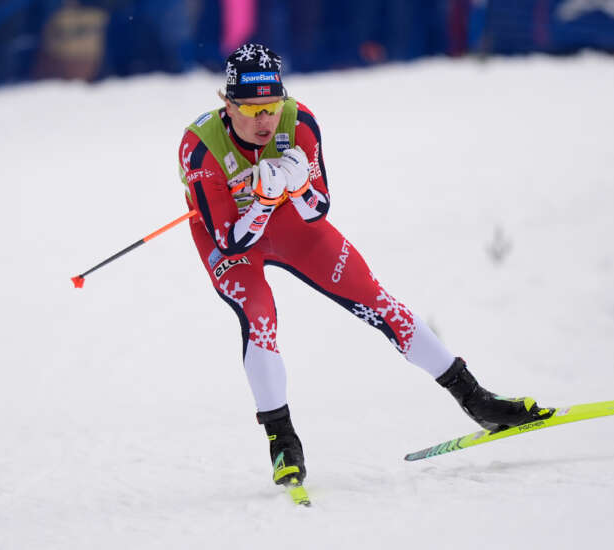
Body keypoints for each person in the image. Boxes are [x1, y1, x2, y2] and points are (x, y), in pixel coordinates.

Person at [177, 43, 551, 488]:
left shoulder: (298, 122)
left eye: (272, 106)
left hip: (290, 223)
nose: (265, 120)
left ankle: (477, 399)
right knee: (259, 315)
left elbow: (318, 210)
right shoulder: (200, 147)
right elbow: (230, 240)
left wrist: (298, 188)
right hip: (230, 235)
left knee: (375, 298)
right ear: (228, 104)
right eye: (253, 110)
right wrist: (260, 201)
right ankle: (283, 442)